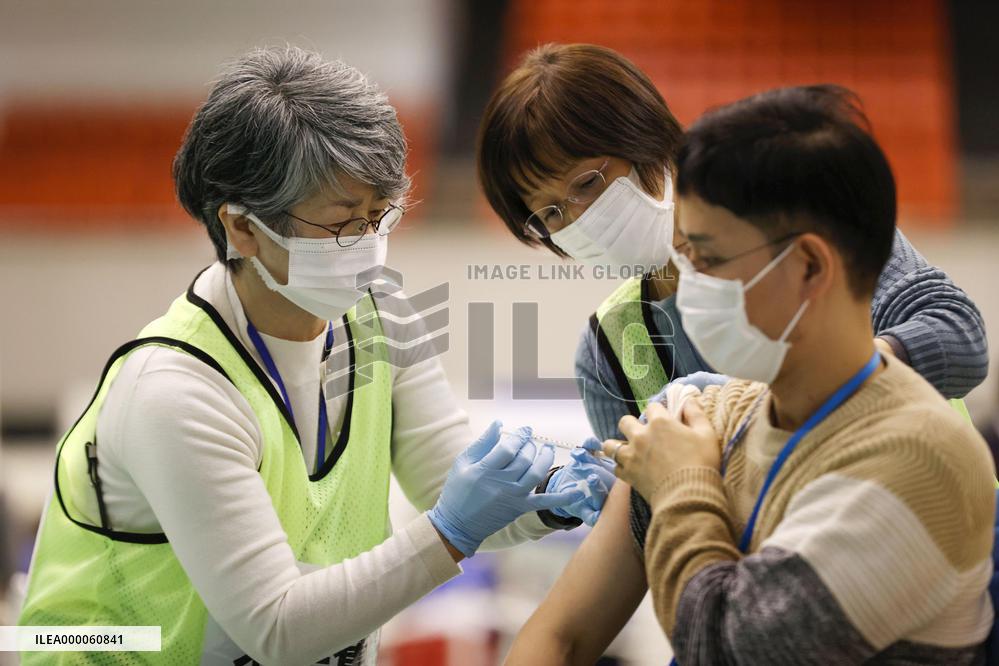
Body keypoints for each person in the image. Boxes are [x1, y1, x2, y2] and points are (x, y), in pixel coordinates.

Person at [16, 46, 613, 666]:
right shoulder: (176, 389)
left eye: (381, 215)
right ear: (243, 228)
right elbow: (278, 630)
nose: (371, 244)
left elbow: (451, 482)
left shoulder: (379, 315)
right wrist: (448, 533)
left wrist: (549, 493)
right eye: (343, 223)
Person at [475, 44, 990, 660]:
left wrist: (801, 398)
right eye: (550, 215)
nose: (576, 220)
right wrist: (641, 484)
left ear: (809, 266)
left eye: (587, 184)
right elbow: (609, 595)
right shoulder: (612, 349)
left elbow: (957, 334)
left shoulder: (783, 213)